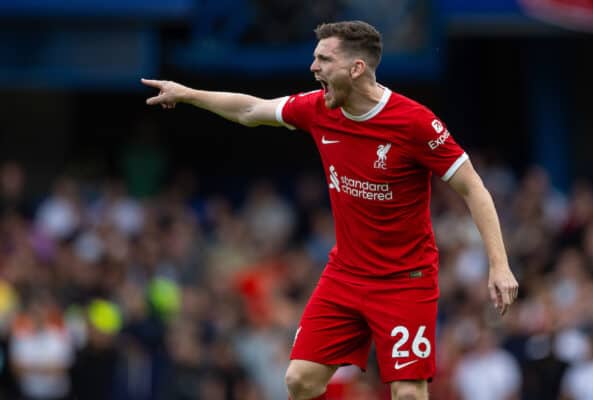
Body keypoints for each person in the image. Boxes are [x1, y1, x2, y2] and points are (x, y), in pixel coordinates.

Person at [142, 20, 519, 400]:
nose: (313, 68)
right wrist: (189, 93)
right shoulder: (319, 108)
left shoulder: (415, 123)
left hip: (406, 280)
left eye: (323, 59)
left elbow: (474, 188)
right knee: (299, 380)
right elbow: (251, 110)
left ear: (356, 68)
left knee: (407, 393)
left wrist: (499, 265)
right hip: (346, 276)